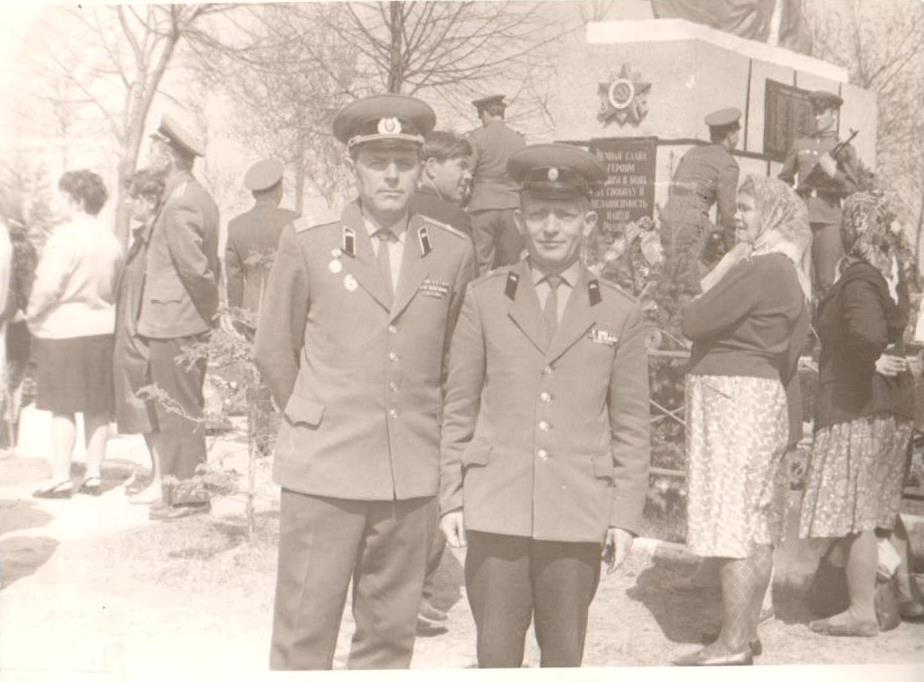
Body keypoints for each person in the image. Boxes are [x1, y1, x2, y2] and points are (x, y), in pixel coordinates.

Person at [254, 93, 476, 670]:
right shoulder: (310, 242)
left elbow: (454, 365)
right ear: (353, 166)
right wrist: (316, 416)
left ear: (421, 167)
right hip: (323, 472)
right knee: (303, 638)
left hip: (408, 475)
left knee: (387, 642)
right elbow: (274, 349)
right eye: (378, 162)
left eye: (404, 162)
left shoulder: (450, 252)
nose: (392, 175)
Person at [439, 143, 651, 668]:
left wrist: (624, 516)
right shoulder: (486, 298)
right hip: (497, 506)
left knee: (563, 656)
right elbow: (459, 407)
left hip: (576, 511)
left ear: (588, 223)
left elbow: (631, 425)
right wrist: (451, 497)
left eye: (565, 214)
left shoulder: (618, 311)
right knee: (495, 654)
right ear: (520, 220)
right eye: (537, 215)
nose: (551, 227)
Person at [676, 175, 812, 665]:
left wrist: (723, 272)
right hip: (762, 400)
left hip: (731, 399)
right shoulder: (791, 274)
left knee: (731, 520)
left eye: (749, 208)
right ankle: (744, 632)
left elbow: (692, 320)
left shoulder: (760, 267)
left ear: (773, 216)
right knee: (755, 523)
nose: (738, 215)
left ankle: (731, 645)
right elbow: (791, 356)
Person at [798, 191, 914, 637]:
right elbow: (890, 324)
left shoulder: (860, 276)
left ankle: (861, 610)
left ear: (852, 231)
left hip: (857, 407)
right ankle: (900, 596)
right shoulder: (888, 273)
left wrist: (869, 358)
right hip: (885, 407)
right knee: (878, 510)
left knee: (858, 513)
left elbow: (865, 332)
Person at [136, 115, 220, 520]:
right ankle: (177, 490)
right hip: (178, 321)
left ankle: (190, 496)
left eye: (153, 151)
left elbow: (197, 271)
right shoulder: (187, 195)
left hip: (179, 322)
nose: (148, 159)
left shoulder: (182, 201)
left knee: (180, 409)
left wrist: (209, 313)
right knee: (175, 409)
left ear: (169, 156)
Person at [408, 128, 475, 631]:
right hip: (435, 373)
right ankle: (414, 593)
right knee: (430, 483)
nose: (467, 176)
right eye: (460, 166)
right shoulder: (452, 223)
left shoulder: (395, 211)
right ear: (429, 166)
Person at [28, 170, 123, 498]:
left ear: (77, 200)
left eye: (63, 198)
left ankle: (61, 476)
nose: (59, 204)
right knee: (97, 406)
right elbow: (116, 285)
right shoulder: (111, 240)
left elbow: (47, 286)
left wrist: (33, 313)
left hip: (64, 330)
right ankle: (94, 475)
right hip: (102, 329)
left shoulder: (64, 237)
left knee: (63, 407)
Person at [113, 169, 166, 501]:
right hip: (133, 337)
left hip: (143, 340)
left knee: (150, 409)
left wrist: (139, 333)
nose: (128, 203)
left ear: (150, 200)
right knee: (143, 410)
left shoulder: (155, 239)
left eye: (134, 197)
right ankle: (157, 474)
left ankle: (161, 478)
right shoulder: (141, 238)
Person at [779, 90, 860, 297]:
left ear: (834, 114)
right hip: (802, 219)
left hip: (829, 221)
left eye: (822, 112)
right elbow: (784, 179)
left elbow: (852, 189)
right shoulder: (800, 144)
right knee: (798, 278)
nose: (816, 117)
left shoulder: (844, 149)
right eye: (815, 112)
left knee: (827, 281)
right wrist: (791, 201)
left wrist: (834, 173)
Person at [225, 158, 299, 321]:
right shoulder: (294, 221)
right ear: (280, 189)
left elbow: (234, 281)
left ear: (253, 193)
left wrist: (236, 316)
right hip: (288, 311)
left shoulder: (236, 226)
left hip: (251, 312)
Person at [466, 94, 526, 275]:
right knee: (511, 262)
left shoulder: (476, 138)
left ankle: (480, 292)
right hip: (512, 206)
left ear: (485, 113)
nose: (481, 120)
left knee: (481, 261)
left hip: (483, 205)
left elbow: (467, 173)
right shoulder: (519, 140)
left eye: (480, 115)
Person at [410, 130, 473, 237]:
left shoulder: (400, 207)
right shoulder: (453, 217)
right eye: (461, 166)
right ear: (431, 167)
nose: (468, 176)